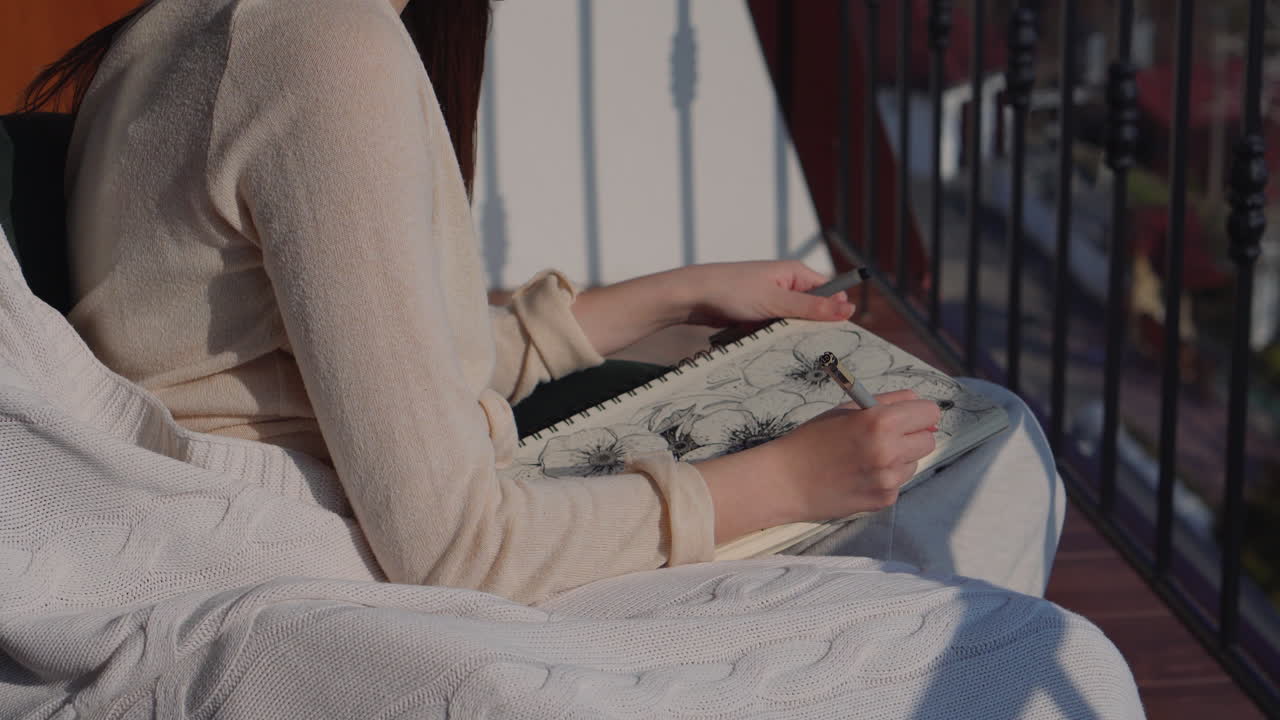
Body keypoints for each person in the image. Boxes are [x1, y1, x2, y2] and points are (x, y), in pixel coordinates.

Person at [28, 0, 1062, 605]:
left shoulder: (198, 29)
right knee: (993, 463)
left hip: (294, 541)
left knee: (975, 445)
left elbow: (389, 355)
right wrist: (786, 483)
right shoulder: (318, 51)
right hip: (352, 588)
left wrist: (685, 292)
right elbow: (456, 550)